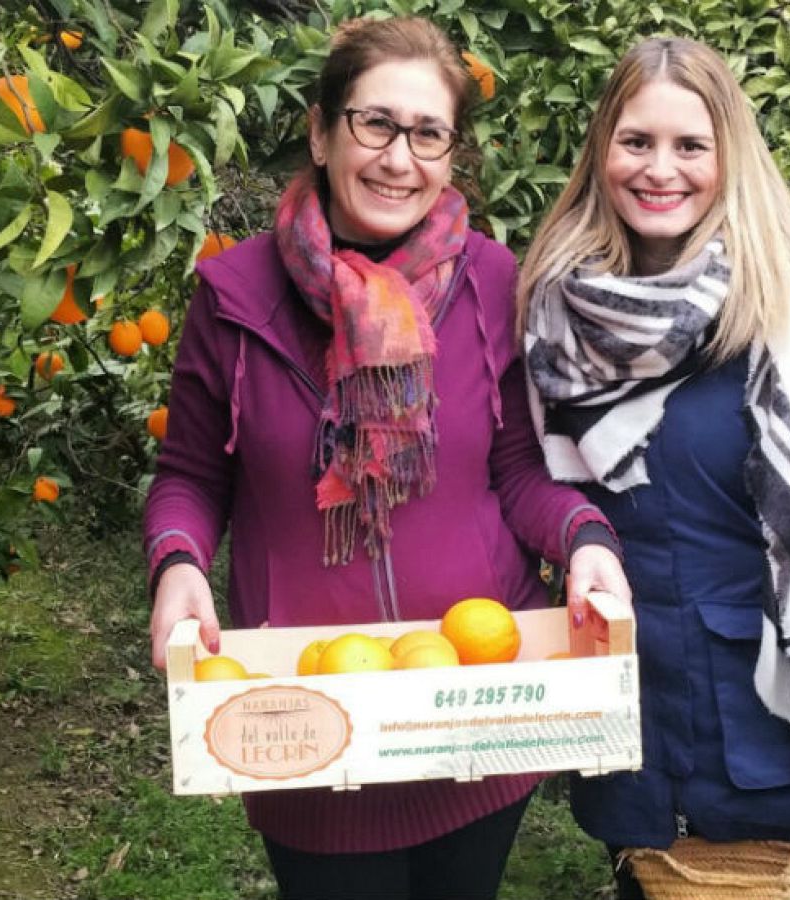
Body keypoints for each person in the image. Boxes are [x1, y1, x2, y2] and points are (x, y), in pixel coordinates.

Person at [142, 16, 630, 900]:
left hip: (479, 706)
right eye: (375, 123)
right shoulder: (234, 296)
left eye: (427, 133)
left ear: (451, 154)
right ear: (322, 130)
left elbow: (519, 470)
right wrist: (177, 561)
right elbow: (190, 475)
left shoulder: (491, 282)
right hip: (310, 719)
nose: (398, 158)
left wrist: (585, 538)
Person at [519, 36, 790, 899]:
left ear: (731, 158)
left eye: (691, 146)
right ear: (601, 151)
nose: (661, 169)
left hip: (769, 721)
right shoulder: (555, 313)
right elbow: (532, 482)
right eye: (636, 141)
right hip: (631, 711)